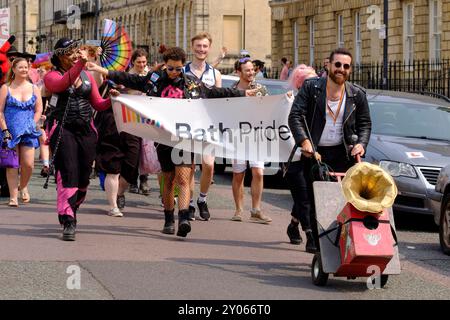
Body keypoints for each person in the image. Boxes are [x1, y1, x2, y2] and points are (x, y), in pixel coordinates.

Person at [87, 46, 254, 238]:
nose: (174, 72)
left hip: (184, 137)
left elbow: (215, 92)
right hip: (163, 138)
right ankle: (168, 218)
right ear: (165, 66)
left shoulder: (191, 83)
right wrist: (101, 70)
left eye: (178, 69)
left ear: (183, 67)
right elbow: (131, 79)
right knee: (168, 179)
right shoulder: (155, 79)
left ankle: (183, 218)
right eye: (170, 68)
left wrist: (243, 94)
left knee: (183, 178)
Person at [288, 48, 372, 252]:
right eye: (337, 65)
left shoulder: (357, 94)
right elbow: (295, 116)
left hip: (341, 155)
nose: (341, 69)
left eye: (346, 66)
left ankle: (334, 244)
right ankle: (316, 242)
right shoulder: (311, 87)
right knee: (310, 198)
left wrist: (361, 143)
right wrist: (304, 141)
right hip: (313, 153)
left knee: (337, 202)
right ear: (328, 66)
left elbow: (365, 124)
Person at [44, 38, 116, 241]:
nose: (76, 55)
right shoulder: (51, 76)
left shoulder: (86, 76)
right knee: (68, 171)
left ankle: (72, 206)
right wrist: (80, 64)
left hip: (86, 130)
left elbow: (99, 104)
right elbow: (62, 83)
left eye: (77, 52)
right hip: (63, 129)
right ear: (60, 56)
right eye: (71, 53)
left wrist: (113, 98)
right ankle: (68, 219)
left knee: (83, 176)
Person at [183, 32, 223, 222]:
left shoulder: (215, 74)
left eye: (205, 46)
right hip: (187, 125)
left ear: (209, 48)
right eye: (198, 46)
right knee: (189, 167)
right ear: (192, 47)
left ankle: (202, 199)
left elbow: (220, 99)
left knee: (208, 164)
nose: (201, 49)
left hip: (208, 126)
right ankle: (189, 203)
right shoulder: (183, 71)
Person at [229, 57, 272, 224]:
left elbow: (270, 108)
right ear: (238, 72)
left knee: (258, 172)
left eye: (252, 70)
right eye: (247, 70)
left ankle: (256, 210)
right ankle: (239, 210)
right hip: (238, 136)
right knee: (239, 174)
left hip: (257, 135)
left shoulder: (261, 89)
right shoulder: (232, 90)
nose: (251, 73)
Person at [0, 57, 43, 207]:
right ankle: (13, 197)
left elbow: (39, 110)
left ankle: (23, 185)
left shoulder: (34, 88)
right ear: (13, 69)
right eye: (21, 67)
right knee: (12, 165)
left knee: (28, 164)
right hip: (10, 132)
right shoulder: (6, 87)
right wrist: (4, 129)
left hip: (28, 131)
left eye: (26, 67)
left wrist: (33, 122)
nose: (24, 70)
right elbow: (0, 111)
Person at [284, 64, 318, 248]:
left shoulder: (319, 103)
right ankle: (310, 235)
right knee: (303, 197)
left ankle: (293, 225)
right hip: (293, 157)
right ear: (299, 84)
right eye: (308, 82)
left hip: (312, 157)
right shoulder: (289, 102)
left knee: (306, 196)